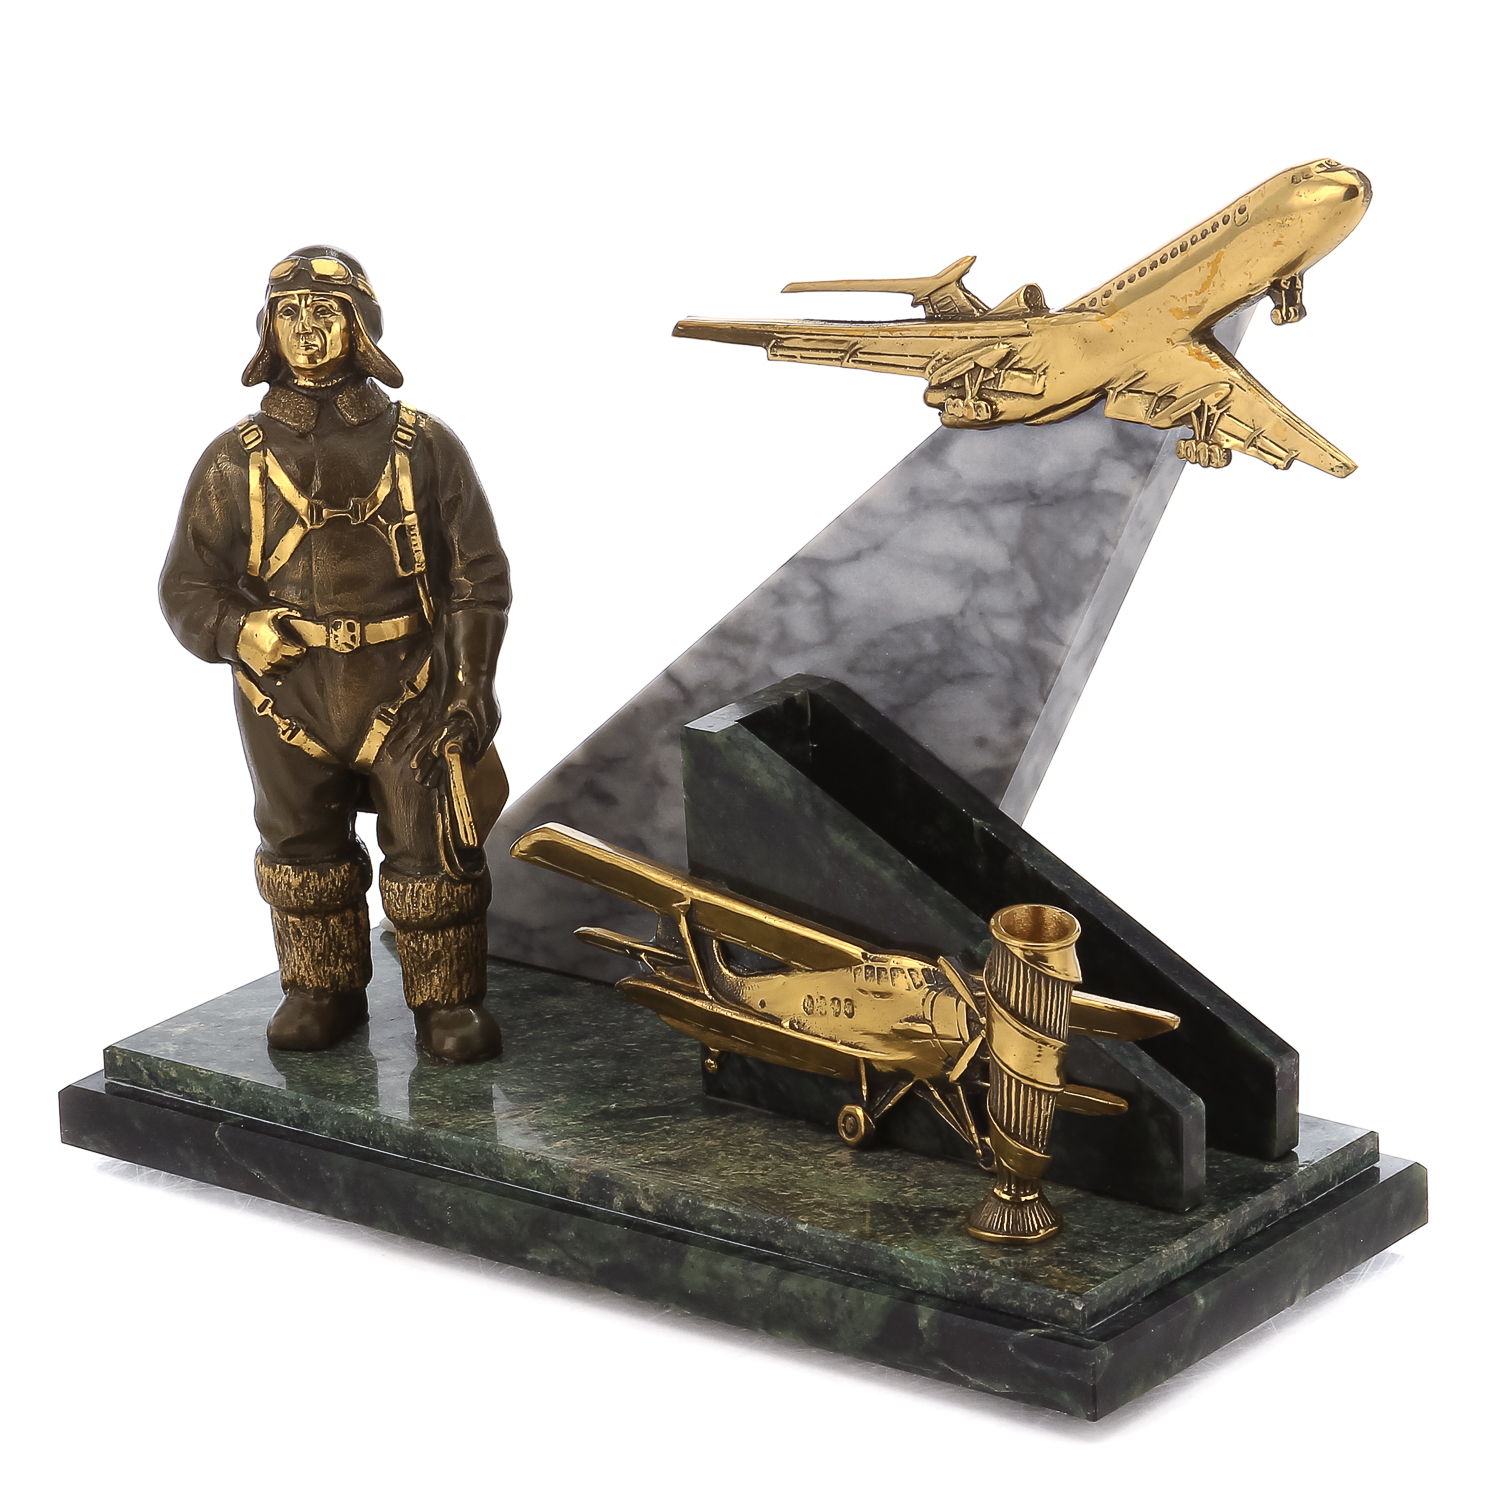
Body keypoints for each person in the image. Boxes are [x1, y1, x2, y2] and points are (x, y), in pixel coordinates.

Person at [160, 247, 511, 1064]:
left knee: (433, 852)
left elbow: (479, 579)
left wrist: (470, 685)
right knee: (300, 847)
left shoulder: (424, 445)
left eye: (326, 313)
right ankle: (322, 988)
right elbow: (186, 586)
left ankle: (446, 1000)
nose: (308, 331)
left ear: (361, 327)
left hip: (411, 684)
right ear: (267, 330)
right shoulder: (235, 458)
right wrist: (235, 631)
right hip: (285, 694)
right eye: (289, 314)